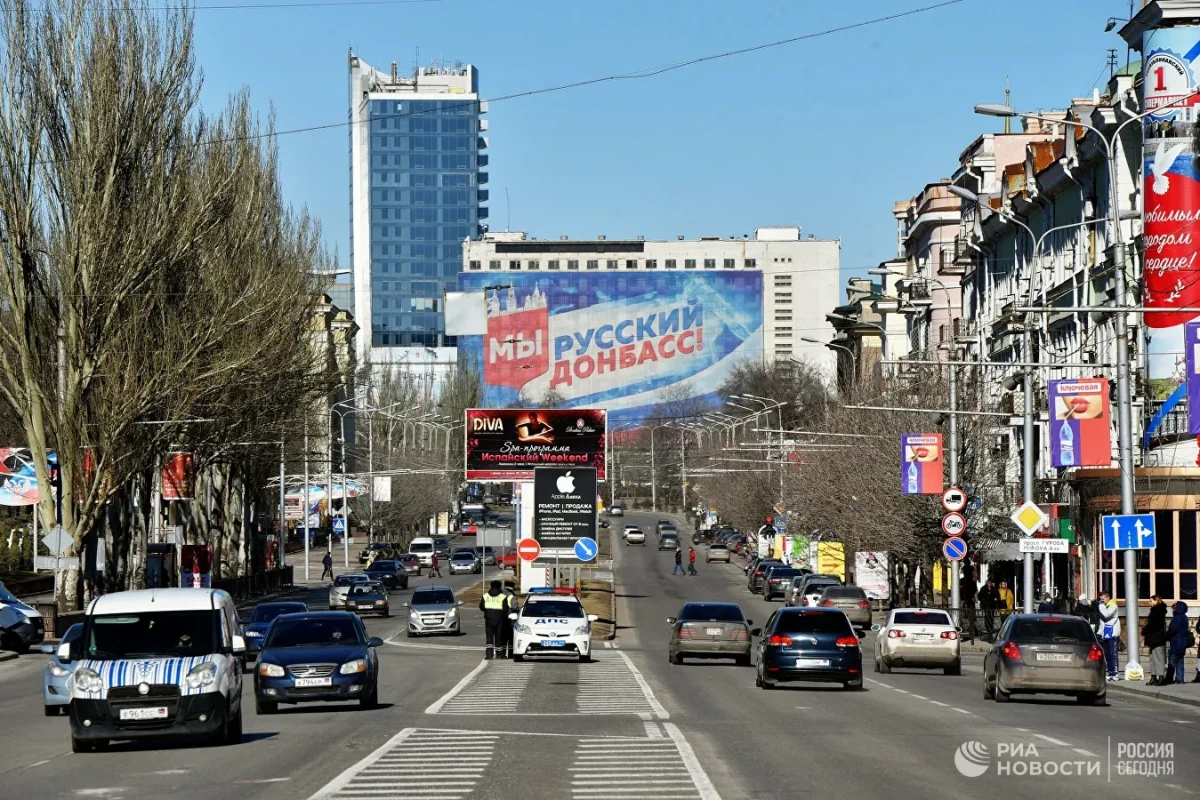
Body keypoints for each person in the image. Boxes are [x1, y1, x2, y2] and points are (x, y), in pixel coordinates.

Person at [1143, 595, 1169, 686]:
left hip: (1157, 638)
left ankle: (1161, 677)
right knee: (1152, 658)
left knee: (1158, 658)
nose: (1150, 603)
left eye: (1151, 601)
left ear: (1156, 600)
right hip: (1153, 638)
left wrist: (1146, 629)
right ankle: (1153, 677)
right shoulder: (1155, 611)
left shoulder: (1158, 611)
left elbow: (1155, 624)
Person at [479, 579, 508, 660]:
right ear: (499, 587)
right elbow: (506, 609)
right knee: (499, 637)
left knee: (489, 637)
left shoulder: (485, 596)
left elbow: (481, 607)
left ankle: (489, 655)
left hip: (489, 619)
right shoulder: (502, 597)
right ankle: (500, 655)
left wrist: (488, 612)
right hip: (500, 620)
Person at [1097, 591, 1121, 681]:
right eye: (1100, 600)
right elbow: (1102, 622)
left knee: (1113, 654)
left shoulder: (1113, 606)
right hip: (1105, 634)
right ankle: (1110, 672)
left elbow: (1106, 614)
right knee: (1107, 654)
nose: (1101, 601)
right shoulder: (1104, 607)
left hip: (1113, 634)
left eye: (1103, 599)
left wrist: (1101, 605)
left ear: (1108, 598)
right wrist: (1099, 633)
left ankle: (1115, 673)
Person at [1167, 600, 1190, 685]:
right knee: (1180, 661)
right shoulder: (1184, 617)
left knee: (1172, 661)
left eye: (1174, 608)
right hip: (1182, 642)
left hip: (1176, 642)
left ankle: (1169, 678)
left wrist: (1167, 635)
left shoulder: (1178, 618)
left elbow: (1173, 629)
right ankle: (1180, 679)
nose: (1173, 610)